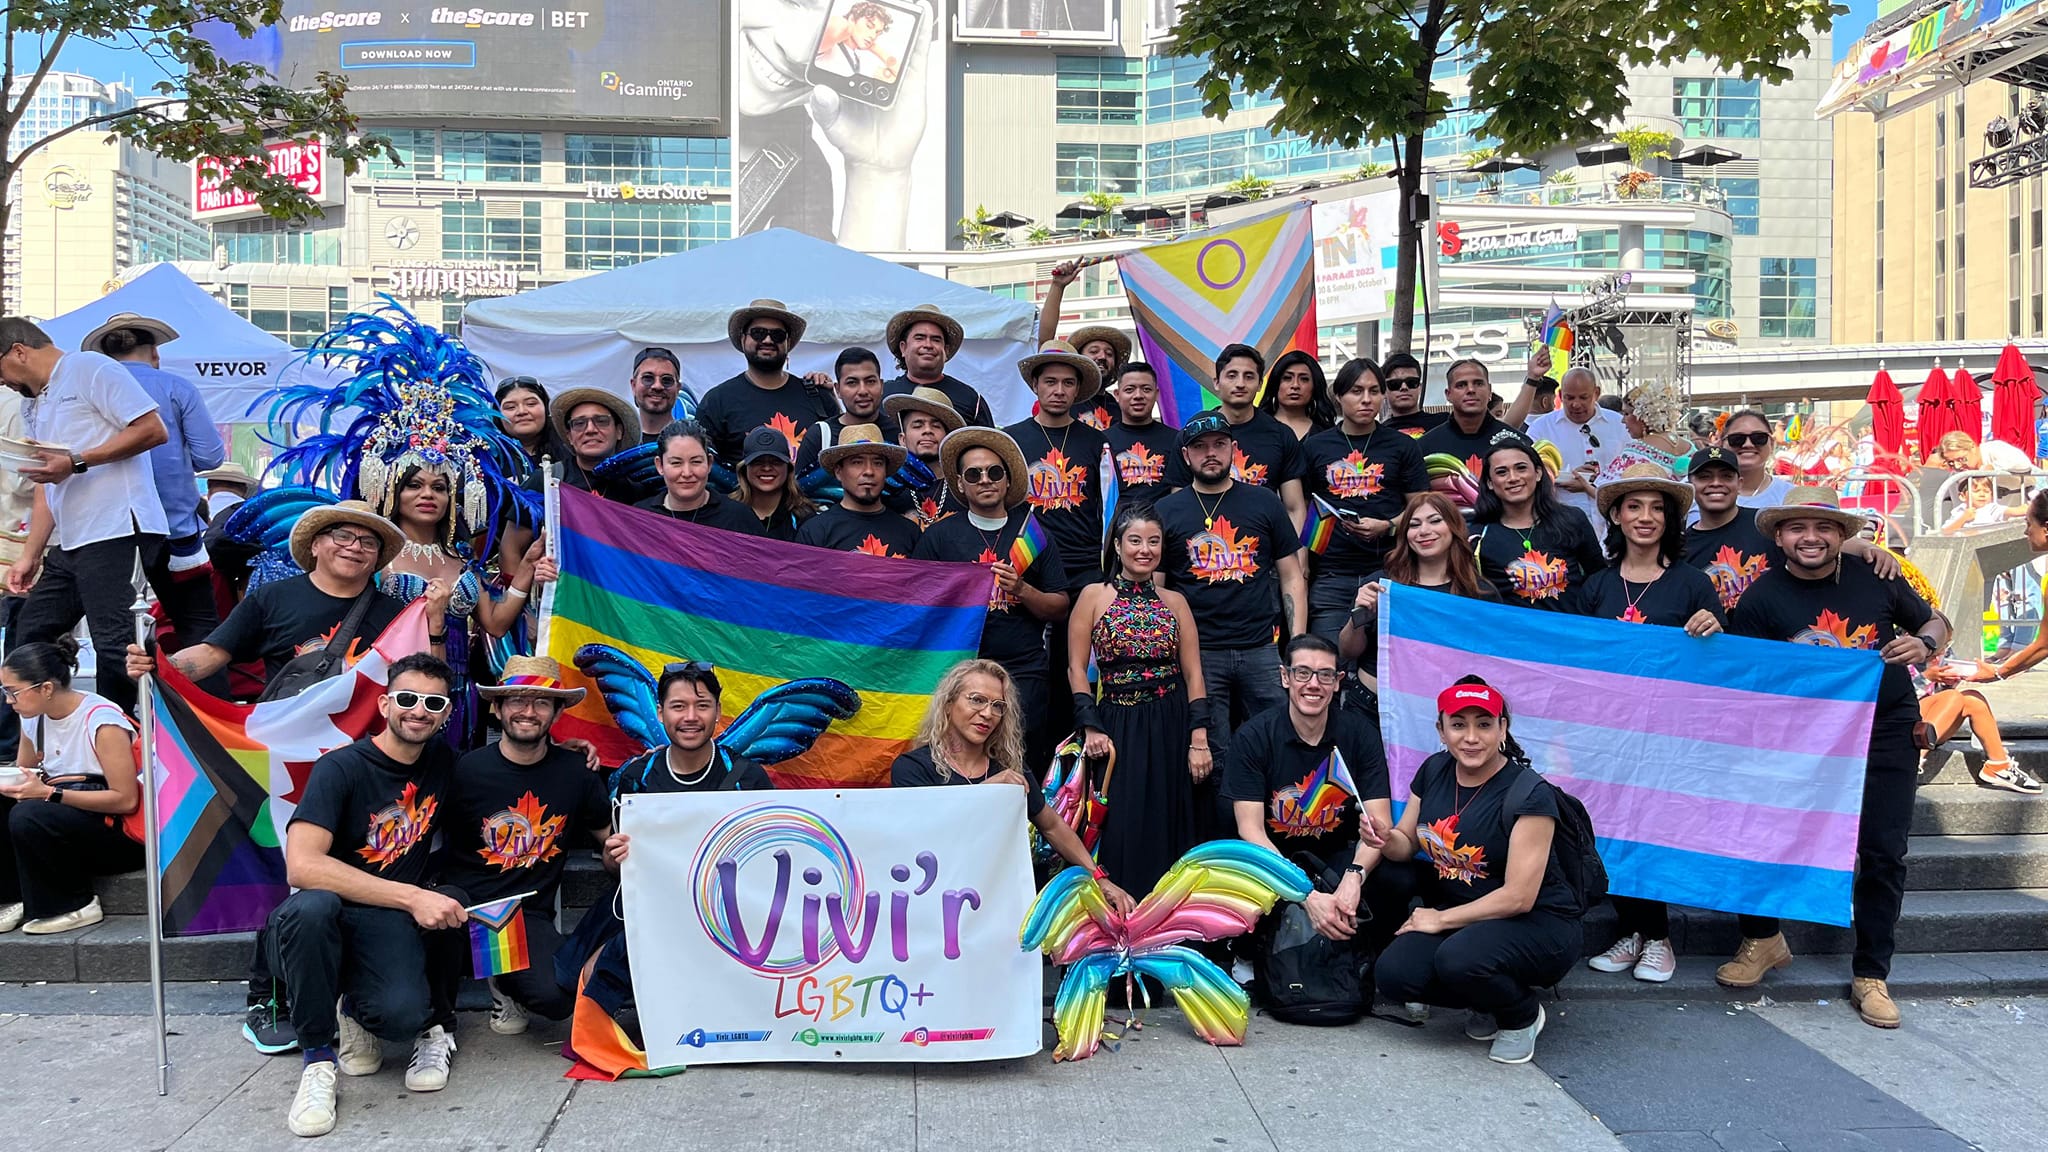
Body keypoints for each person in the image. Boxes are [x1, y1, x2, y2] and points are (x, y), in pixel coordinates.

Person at [1720, 486, 1948, 1029]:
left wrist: (1925, 646)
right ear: (1780, 537)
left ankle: (1871, 973)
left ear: (1842, 536)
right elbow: (1746, 679)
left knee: (1883, 849)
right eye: (1797, 528)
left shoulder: (1879, 577)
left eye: (1823, 528)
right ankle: (1762, 939)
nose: (1811, 538)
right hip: (1799, 738)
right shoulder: (1759, 599)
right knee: (1763, 833)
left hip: (1884, 729)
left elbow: (1936, 622)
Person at [270, 653, 464, 1138]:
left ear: (446, 714)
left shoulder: (442, 762)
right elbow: (303, 865)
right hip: (330, 914)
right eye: (407, 698)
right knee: (311, 906)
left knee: (401, 1019)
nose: (418, 710)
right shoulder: (341, 768)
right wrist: (409, 896)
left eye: (433, 702)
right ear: (384, 703)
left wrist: (566, 747)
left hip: (384, 918)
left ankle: (355, 1006)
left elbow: (509, 767)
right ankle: (318, 1060)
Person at [1371, 677, 1582, 1065]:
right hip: (1470, 921)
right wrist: (1383, 838)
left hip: (1540, 923)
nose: (1471, 737)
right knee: (1394, 974)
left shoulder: (1529, 793)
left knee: (1459, 959)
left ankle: (1521, 1014)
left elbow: (1519, 896)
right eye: (1459, 724)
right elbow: (1406, 843)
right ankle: (1486, 998)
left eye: (1484, 724)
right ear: (1441, 730)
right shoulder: (1434, 770)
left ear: (1503, 728)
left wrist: (1438, 919)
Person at [1569, 466, 1724, 984]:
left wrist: (1713, 628)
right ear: (1615, 515)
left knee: (1651, 832)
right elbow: (1571, 658)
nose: (1646, 517)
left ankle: (1659, 939)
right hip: (1605, 734)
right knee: (1609, 830)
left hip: (1667, 737)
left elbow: (1722, 662)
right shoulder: (1595, 587)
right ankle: (1632, 931)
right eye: (1634, 506)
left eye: (1658, 508)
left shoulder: (1692, 583)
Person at [427, 657, 611, 1039]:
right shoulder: (461, 770)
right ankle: (435, 1029)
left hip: (525, 917)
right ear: (497, 708)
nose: (528, 711)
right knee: (432, 924)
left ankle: (504, 982)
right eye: (516, 700)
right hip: (461, 910)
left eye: (542, 702)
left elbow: (608, 840)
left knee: (557, 999)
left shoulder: (577, 772)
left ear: (558, 712)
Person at [0, 316, 170, 720]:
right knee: (31, 634)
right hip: (72, 539)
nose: (3, 383)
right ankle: (60, 734)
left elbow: (152, 429)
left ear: (19, 352)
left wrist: (77, 460)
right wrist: (30, 554)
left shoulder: (90, 368)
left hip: (119, 527)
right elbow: (47, 480)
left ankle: (137, 740)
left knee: (117, 646)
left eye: (0, 371)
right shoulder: (32, 401)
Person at [894, 659, 1137, 915]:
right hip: (934, 901)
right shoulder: (912, 768)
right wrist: (987, 792)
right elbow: (923, 833)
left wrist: (1099, 879)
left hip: (997, 902)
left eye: (997, 706)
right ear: (948, 704)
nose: (988, 713)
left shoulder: (1010, 770)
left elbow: (1053, 826)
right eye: (976, 700)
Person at [1224, 634, 1412, 956]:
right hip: (1275, 856)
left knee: (1398, 877)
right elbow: (1250, 830)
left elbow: (1378, 823)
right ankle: (1250, 956)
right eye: (1302, 673)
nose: (1314, 684)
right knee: (1239, 873)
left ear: (1338, 682)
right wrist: (1305, 894)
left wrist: (1354, 877)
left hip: (1335, 855)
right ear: (1285, 677)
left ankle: (1366, 958)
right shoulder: (1253, 736)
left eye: (1325, 675)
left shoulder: (1359, 734)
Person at [124, 501, 430, 688]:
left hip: (365, 751)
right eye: (343, 535)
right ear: (315, 545)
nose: (354, 547)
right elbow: (213, 653)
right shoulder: (271, 599)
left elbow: (416, 677)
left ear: (376, 558)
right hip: (287, 749)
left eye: (368, 542)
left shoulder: (395, 613)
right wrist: (159, 665)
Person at [1155, 413, 1306, 790]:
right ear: (1186, 456)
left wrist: (1298, 645)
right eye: (1201, 447)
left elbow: (1291, 575)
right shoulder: (1166, 512)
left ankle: (1277, 825)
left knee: (1279, 740)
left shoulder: (1263, 503)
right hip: (1199, 652)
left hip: (1260, 647)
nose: (1211, 454)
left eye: (1219, 445)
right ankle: (1221, 835)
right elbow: (1156, 589)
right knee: (1211, 754)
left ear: (1233, 450)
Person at [1068, 502, 1210, 897]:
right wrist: (1090, 725)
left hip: (1171, 720)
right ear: (1117, 545)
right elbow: (1076, 669)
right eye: (1135, 540)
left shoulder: (1175, 601)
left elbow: (1194, 672)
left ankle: (1171, 921)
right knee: (1122, 820)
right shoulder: (1093, 596)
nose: (1144, 549)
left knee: (1171, 816)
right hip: (1117, 725)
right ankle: (1121, 918)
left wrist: (1199, 738)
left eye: (1153, 541)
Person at [916, 429, 1067, 771]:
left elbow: (1060, 608)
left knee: (1022, 763)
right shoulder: (939, 537)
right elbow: (919, 607)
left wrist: (1023, 590)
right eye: (974, 474)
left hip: (1023, 671)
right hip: (959, 670)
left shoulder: (1033, 532)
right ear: (961, 483)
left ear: (1006, 479)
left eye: (994, 472)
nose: (985, 480)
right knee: (961, 762)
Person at [89, 313, 229, 660]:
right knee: (198, 627)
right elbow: (210, 456)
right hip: (175, 527)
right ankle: (201, 711)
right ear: (154, 352)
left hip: (110, 530)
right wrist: (175, 462)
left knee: (115, 635)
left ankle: (118, 712)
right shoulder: (176, 387)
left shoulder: (90, 390)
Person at [0, 639, 141, 936]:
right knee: (16, 806)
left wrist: (52, 793)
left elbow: (126, 800)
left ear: (46, 688)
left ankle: (75, 904)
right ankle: (16, 897)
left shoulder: (101, 720)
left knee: (30, 814)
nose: (8, 701)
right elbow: (23, 773)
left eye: (13, 692)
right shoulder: (32, 718)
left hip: (118, 831)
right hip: (67, 817)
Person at [1300, 358, 1429, 642]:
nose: (1366, 400)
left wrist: (1388, 525)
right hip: (1331, 575)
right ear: (1339, 395)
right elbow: (1301, 509)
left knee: (1387, 663)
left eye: (1374, 391)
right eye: (1356, 391)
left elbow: (1421, 507)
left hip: (1392, 570)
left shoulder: (1403, 446)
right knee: (1330, 663)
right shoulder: (1314, 447)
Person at [1685, 445, 1899, 615]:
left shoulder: (1764, 525)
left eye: (1725, 476)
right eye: (1704, 477)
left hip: (1776, 640)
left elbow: (1818, 540)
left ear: (1739, 483)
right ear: (1690, 483)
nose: (1715, 483)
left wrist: (1867, 548)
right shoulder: (1681, 545)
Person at [1340, 491, 1501, 692]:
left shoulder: (1480, 593)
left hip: (1447, 714)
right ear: (1405, 535)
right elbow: (1348, 651)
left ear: (1454, 527)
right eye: (1414, 525)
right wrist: (1360, 612)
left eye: (1435, 521)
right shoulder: (1382, 584)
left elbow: (1495, 660)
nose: (1424, 531)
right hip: (1372, 712)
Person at [1169, 343, 1308, 529]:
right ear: (1217, 382)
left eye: (1249, 376)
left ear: (1260, 384)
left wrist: (1294, 555)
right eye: (1232, 375)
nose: (1240, 383)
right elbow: (1177, 506)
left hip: (1264, 547)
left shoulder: (1281, 435)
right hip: (1207, 548)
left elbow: (1294, 509)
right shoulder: (1192, 435)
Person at [697, 299, 837, 466]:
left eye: (778, 335)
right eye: (758, 333)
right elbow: (704, 465)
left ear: (788, 342)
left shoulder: (818, 396)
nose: (768, 340)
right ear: (743, 339)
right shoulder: (716, 401)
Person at [1470, 438, 1605, 610]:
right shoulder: (1479, 535)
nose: (1513, 478)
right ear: (1490, 483)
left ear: (1539, 473)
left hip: (1573, 632)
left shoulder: (1572, 519)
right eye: (1502, 472)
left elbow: (1599, 579)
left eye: (1521, 468)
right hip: (1514, 635)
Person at [793, 424, 921, 556]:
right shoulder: (815, 532)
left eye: (877, 463)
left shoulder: (909, 532)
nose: (869, 471)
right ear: (838, 471)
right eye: (857, 462)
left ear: (886, 472)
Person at [1521, 367, 1625, 529]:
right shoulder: (1541, 427)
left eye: (1584, 397)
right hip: (1561, 522)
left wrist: (1597, 481)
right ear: (1561, 395)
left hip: (1613, 522)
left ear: (1596, 393)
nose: (1576, 404)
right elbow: (1527, 472)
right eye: (1569, 398)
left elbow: (1631, 470)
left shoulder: (1619, 424)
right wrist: (1565, 477)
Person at [633, 420, 767, 536]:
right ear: (660, 465)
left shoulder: (738, 517)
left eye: (696, 461)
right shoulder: (639, 518)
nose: (687, 473)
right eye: (676, 463)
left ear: (709, 463)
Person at [791, 347, 897, 482]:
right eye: (852, 383)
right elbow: (800, 493)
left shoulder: (899, 433)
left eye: (870, 381)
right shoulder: (821, 435)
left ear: (881, 386)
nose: (863, 391)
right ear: (838, 389)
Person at [882, 304, 995, 428]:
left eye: (936, 340)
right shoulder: (883, 396)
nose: (928, 345)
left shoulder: (971, 399)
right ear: (903, 348)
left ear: (946, 350)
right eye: (920, 338)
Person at [1417, 358, 1523, 482]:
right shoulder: (1424, 448)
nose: (1471, 390)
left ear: (1489, 391)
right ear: (1448, 394)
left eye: (1478, 383)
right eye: (1461, 385)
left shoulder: (1517, 443)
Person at [1036, 260, 1133, 381]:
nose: (1102, 356)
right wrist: (1057, 286)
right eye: (1093, 351)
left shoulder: (1116, 400)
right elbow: (1045, 341)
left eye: (1109, 354)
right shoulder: (1067, 396)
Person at [883, 385, 967, 523]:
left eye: (936, 425)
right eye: (917, 425)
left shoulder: (965, 485)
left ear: (948, 438)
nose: (927, 430)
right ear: (902, 440)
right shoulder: (888, 486)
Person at [1105, 362, 1178, 508]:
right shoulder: (1101, 441)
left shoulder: (1176, 440)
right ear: (1117, 395)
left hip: (1162, 526)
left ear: (1156, 394)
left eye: (1146, 389)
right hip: (1116, 527)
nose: (1138, 396)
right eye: (1130, 390)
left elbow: (1179, 492)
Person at [543, 387, 638, 498]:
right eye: (579, 423)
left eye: (601, 421)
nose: (590, 430)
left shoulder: (636, 485)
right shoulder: (548, 478)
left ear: (619, 431)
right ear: (569, 436)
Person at [1599, 381, 1694, 480]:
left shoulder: (1635, 452)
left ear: (1642, 416)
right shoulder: (1690, 447)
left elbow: (1608, 490)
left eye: (1626, 414)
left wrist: (1586, 486)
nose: (1623, 421)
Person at [736, 426, 815, 542]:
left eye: (776, 462)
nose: (767, 468)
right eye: (757, 462)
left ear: (788, 469)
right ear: (744, 469)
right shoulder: (726, 511)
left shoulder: (804, 517)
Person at [494, 376, 572, 479]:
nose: (522, 411)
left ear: (546, 408)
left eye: (531, 404)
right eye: (510, 407)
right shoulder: (487, 459)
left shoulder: (572, 452)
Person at [1717, 409, 1794, 510]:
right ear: (1721, 444)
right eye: (1737, 439)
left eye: (1758, 438)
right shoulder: (1698, 491)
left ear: (1771, 443)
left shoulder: (1790, 495)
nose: (1748, 444)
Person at [1260, 350, 1337, 443]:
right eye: (1287, 378)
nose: (1295, 385)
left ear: (1315, 386)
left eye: (1304, 379)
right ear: (1275, 384)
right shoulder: (1257, 428)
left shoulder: (1328, 434)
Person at [1378, 352, 1444, 439]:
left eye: (1411, 382)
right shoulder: (1378, 435)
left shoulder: (1443, 422)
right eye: (1395, 384)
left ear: (1420, 387)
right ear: (1384, 391)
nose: (1404, 387)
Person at [626, 347, 684, 443]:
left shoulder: (691, 441)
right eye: (648, 378)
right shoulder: (619, 440)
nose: (657, 386)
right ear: (633, 385)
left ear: (678, 388)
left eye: (666, 380)